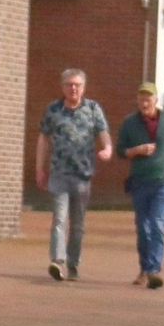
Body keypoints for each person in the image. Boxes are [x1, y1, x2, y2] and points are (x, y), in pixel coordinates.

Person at [36, 69, 112, 281]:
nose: (73, 88)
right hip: (59, 173)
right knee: (59, 219)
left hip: (82, 175)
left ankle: (73, 263)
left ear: (83, 88)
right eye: (69, 84)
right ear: (62, 87)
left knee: (77, 224)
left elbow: (104, 134)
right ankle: (57, 262)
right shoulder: (53, 110)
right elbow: (43, 139)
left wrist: (107, 149)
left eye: (77, 85)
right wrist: (39, 168)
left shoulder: (93, 109)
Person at [116, 81, 164, 291]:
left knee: (158, 225)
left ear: (156, 100)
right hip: (139, 183)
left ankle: (154, 270)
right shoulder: (129, 123)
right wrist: (137, 150)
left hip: (163, 183)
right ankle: (144, 269)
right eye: (141, 99)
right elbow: (120, 151)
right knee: (143, 228)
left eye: (148, 99)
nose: (145, 102)